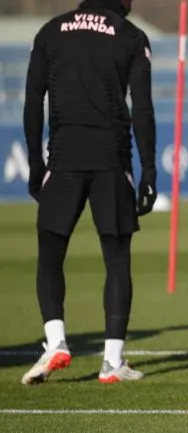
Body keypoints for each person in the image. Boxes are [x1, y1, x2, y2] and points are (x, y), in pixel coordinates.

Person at [21, 0, 156, 385]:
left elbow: (33, 102)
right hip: (112, 159)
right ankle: (112, 361)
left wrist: (35, 162)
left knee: (50, 251)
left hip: (63, 157)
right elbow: (142, 107)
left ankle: (56, 341)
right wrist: (149, 169)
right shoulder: (130, 36)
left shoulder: (50, 32)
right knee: (116, 256)